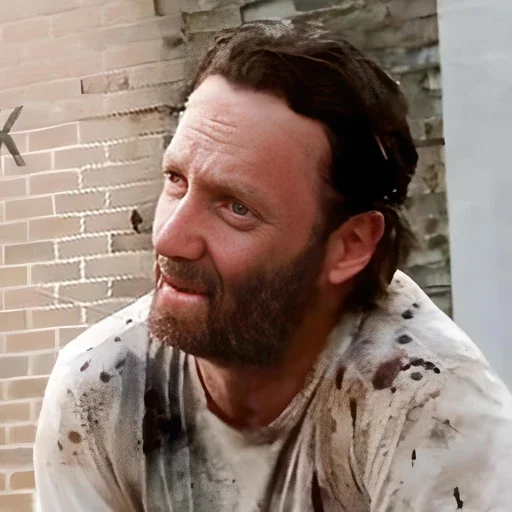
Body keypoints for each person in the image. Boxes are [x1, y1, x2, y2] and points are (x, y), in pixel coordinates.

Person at [34, 19, 512, 512]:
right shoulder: (101, 389)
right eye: (176, 179)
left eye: (236, 207)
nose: (169, 239)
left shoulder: (431, 407)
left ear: (349, 245)